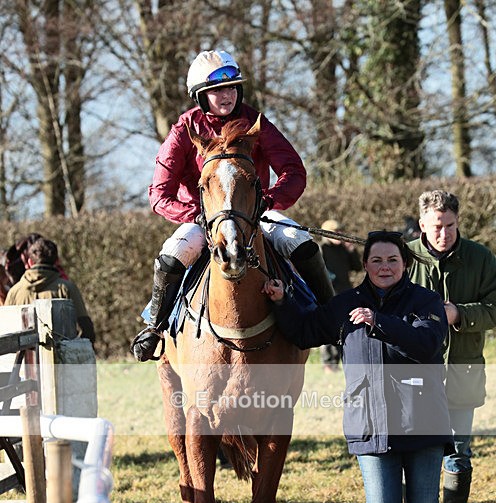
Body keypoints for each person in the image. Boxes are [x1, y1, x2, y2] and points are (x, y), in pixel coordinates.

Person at [263, 231, 453, 503]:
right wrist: (282, 302)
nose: (385, 268)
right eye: (377, 261)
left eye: (393, 261)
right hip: (370, 423)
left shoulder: (426, 302)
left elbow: (427, 344)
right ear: (364, 265)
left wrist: (378, 322)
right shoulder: (345, 304)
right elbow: (304, 331)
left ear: (406, 264)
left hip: (424, 423)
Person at [131, 49, 333, 362]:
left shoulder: (256, 123)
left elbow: (294, 170)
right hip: (202, 218)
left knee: (301, 244)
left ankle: (329, 318)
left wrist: (269, 200)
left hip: (255, 212)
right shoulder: (184, 129)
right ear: (200, 96)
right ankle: (155, 327)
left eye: (231, 87)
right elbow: (159, 193)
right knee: (172, 257)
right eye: (216, 91)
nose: (226, 95)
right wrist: (198, 215)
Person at [404, 189, 496, 503]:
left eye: (450, 225)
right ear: (422, 224)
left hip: (463, 373)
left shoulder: (480, 258)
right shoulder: (403, 257)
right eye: (436, 226)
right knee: (414, 451)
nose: (443, 234)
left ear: (458, 221)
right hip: (413, 376)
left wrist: (459, 314)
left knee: (458, 453)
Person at [5, 237, 95, 343]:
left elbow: (5, 331)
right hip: (61, 357)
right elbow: (87, 330)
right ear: (57, 261)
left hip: (23, 359)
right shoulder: (67, 288)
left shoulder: (14, 292)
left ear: (29, 262)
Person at [319, 219, 362, 372]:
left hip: (345, 294)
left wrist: (351, 250)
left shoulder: (343, 249)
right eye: (336, 232)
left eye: (340, 232)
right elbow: (318, 272)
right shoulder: (321, 249)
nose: (340, 235)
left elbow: (357, 267)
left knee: (345, 330)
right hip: (328, 295)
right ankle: (329, 364)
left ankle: (343, 360)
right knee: (329, 329)